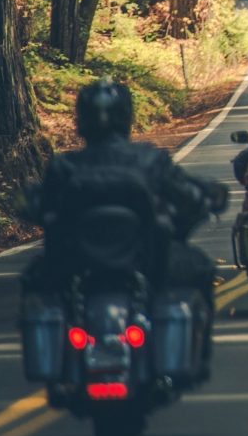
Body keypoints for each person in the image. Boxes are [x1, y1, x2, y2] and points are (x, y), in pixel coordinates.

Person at [20, 78, 227, 371]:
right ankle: (199, 360)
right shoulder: (148, 160)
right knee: (201, 269)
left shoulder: (65, 167)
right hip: (146, 263)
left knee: (33, 279)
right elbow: (187, 195)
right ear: (126, 117)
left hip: (77, 268)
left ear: (81, 120)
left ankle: (59, 364)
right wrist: (206, 198)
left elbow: (36, 206)